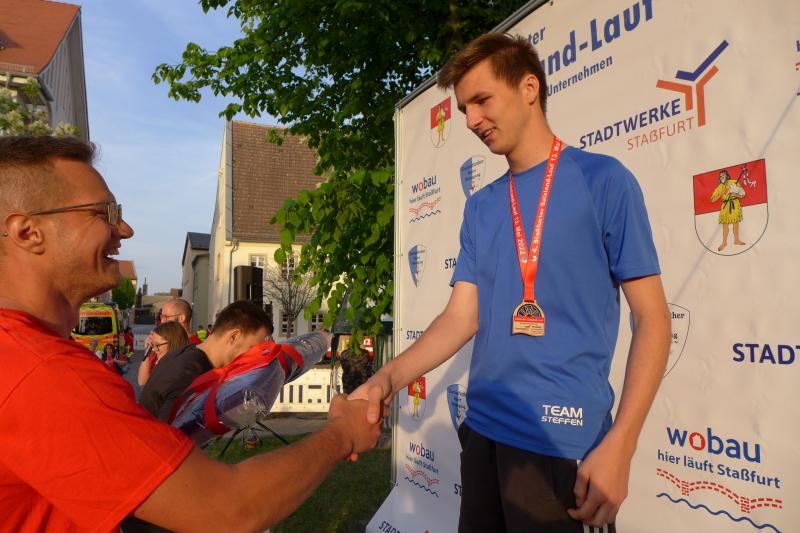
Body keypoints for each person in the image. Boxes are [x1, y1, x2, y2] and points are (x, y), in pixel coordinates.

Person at [351, 33, 670, 532]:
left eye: (482, 100)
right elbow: (461, 318)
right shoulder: (482, 206)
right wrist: (386, 378)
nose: (471, 120)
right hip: (483, 437)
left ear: (528, 88)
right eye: (464, 109)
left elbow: (652, 318)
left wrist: (623, 444)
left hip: (563, 445)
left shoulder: (604, 181)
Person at [0, 135, 381, 531]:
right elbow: (228, 509)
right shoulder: (42, 373)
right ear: (28, 232)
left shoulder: (23, 353)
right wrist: (342, 434)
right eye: (104, 213)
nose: (124, 229)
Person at [139, 300, 271, 422]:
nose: (253, 356)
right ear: (234, 337)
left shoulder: (186, 354)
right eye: (252, 348)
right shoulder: (190, 372)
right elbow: (166, 435)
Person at [137, 321, 189, 387]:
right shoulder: (160, 358)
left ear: (173, 343)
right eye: (152, 344)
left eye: (157, 344)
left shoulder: (177, 370)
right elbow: (142, 382)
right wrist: (147, 352)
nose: (153, 349)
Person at [710, 169, 746, 251]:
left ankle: (736, 240)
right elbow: (712, 199)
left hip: (735, 204)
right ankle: (724, 243)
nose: (721, 177)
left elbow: (743, 194)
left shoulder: (734, 182)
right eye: (720, 176)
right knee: (725, 225)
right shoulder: (720, 187)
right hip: (725, 206)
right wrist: (721, 193)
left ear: (727, 176)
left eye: (723, 175)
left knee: (735, 223)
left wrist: (736, 194)